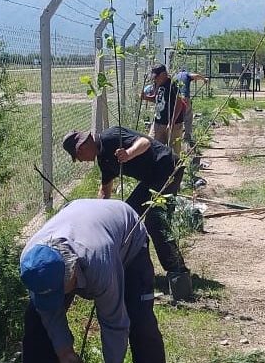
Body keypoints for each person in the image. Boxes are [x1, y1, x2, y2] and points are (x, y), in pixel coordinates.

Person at [20, 199, 169, 363]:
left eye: (59, 293)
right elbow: (48, 312)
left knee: (140, 324)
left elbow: (114, 323)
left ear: (73, 273)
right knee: (36, 323)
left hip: (128, 235)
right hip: (81, 221)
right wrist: (63, 351)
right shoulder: (32, 263)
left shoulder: (98, 262)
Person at [62, 126, 193, 300]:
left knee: (155, 221)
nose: (80, 161)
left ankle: (177, 272)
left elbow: (144, 142)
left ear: (82, 147)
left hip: (167, 168)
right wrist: (96, 218)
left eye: (77, 157)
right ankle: (130, 268)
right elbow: (105, 190)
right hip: (150, 178)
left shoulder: (111, 136)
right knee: (127, 216)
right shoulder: (103, 160)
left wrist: (129, 153)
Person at [141, 64, 185, 154]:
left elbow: (179, 103)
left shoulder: (173, 85)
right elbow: (157, 99)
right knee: (152, 147)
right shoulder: (159, 84)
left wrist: (172, 122)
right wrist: (145, 97)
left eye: (156, 77)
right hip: (158, 123)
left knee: (173, 152)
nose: (154, 79)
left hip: (173, 125)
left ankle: (174, 167)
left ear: (163, 74)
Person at [173, 67, 209, 147]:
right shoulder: (186, 74)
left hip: (176, 99)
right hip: (185, 98)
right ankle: (187, 137)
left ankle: (176, 137)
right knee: (188, 117)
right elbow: (195, 75)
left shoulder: (175, 76)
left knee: (177, 117)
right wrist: (204, 79)